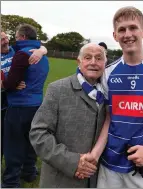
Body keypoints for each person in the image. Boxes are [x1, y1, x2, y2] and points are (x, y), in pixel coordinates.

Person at [80, 6, 143, 188]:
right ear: (115, 36)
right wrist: (95, 154)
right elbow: (109, 118)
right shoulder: (108, 72)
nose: (127, 34)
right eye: (122, 30)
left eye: (133, 28)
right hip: (109, 163)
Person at [29, 43, 107, 188]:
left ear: (105, 63)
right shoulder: (57, 89)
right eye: (87, 57)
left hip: (97, 180)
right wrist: (72, 162)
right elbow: (38, 134)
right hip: (61, 180)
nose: (93, 62)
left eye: (99, 58)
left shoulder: (110, 94)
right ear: (79, 61)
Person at [1, 24, 49, 188]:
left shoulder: (21, 54)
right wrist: (42, 49)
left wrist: (5, 82)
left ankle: (11, 181)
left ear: (22, 37)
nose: (12, 39)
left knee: (14, 144)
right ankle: (29, 172)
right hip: (37, 105)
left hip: (19, 105)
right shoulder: (42, 56)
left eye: (14, 36)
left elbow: (11, 83)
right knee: (31, 142)